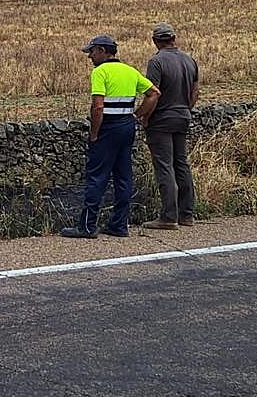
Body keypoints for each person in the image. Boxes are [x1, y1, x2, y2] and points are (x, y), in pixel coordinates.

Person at [61, 34, 160, 239]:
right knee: (123, 176)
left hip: (108, 127)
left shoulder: (101, 72)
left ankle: (87, 227)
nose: (90, 56)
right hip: (127, 126)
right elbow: (154, 93)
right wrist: (137, 115)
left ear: (103, 51)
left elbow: (98, 107)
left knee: (97, 176)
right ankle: (119, 224)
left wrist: (94, 134)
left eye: (92, 51)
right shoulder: (130, 71)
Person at [140, 22, 200, 229]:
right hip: (183, 116)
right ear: (174, 38)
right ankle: (187, 214)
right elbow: (195, 92)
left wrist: (144, 116)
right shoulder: (189, 60)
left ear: (155, 41)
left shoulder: (156, 62)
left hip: (162, 119)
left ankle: (168, 216)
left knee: (164, 166)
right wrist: (186, 109)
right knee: (181, 163)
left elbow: (153, 93)